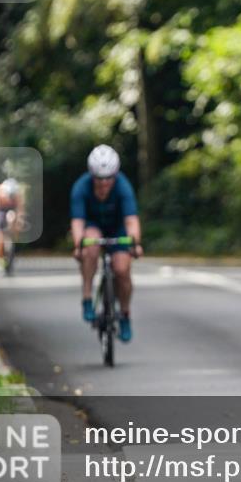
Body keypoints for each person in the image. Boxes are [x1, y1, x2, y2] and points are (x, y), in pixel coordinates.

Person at [70, 145, 143, 342]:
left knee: (122, 270)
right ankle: (87, 296)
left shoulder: (123, 187)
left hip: (118, 227)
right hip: (94, 226)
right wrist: (78, 245)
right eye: (99, 179)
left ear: (115, 175)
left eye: (108, 178)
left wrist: (135, 243)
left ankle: (125, 314)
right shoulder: (81, 188)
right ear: (91, 175)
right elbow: (78, 222)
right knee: (90, 246)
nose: (104, 184)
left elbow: (131, 220)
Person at [0, 177, 25, 276]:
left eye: (12, 197)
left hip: (11, 212)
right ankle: (0, 263)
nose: (10, 198)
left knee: (12, 218)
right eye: (8, 196)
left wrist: (18, 226)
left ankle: (10, 253)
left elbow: (20, 211)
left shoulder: (17, 195)